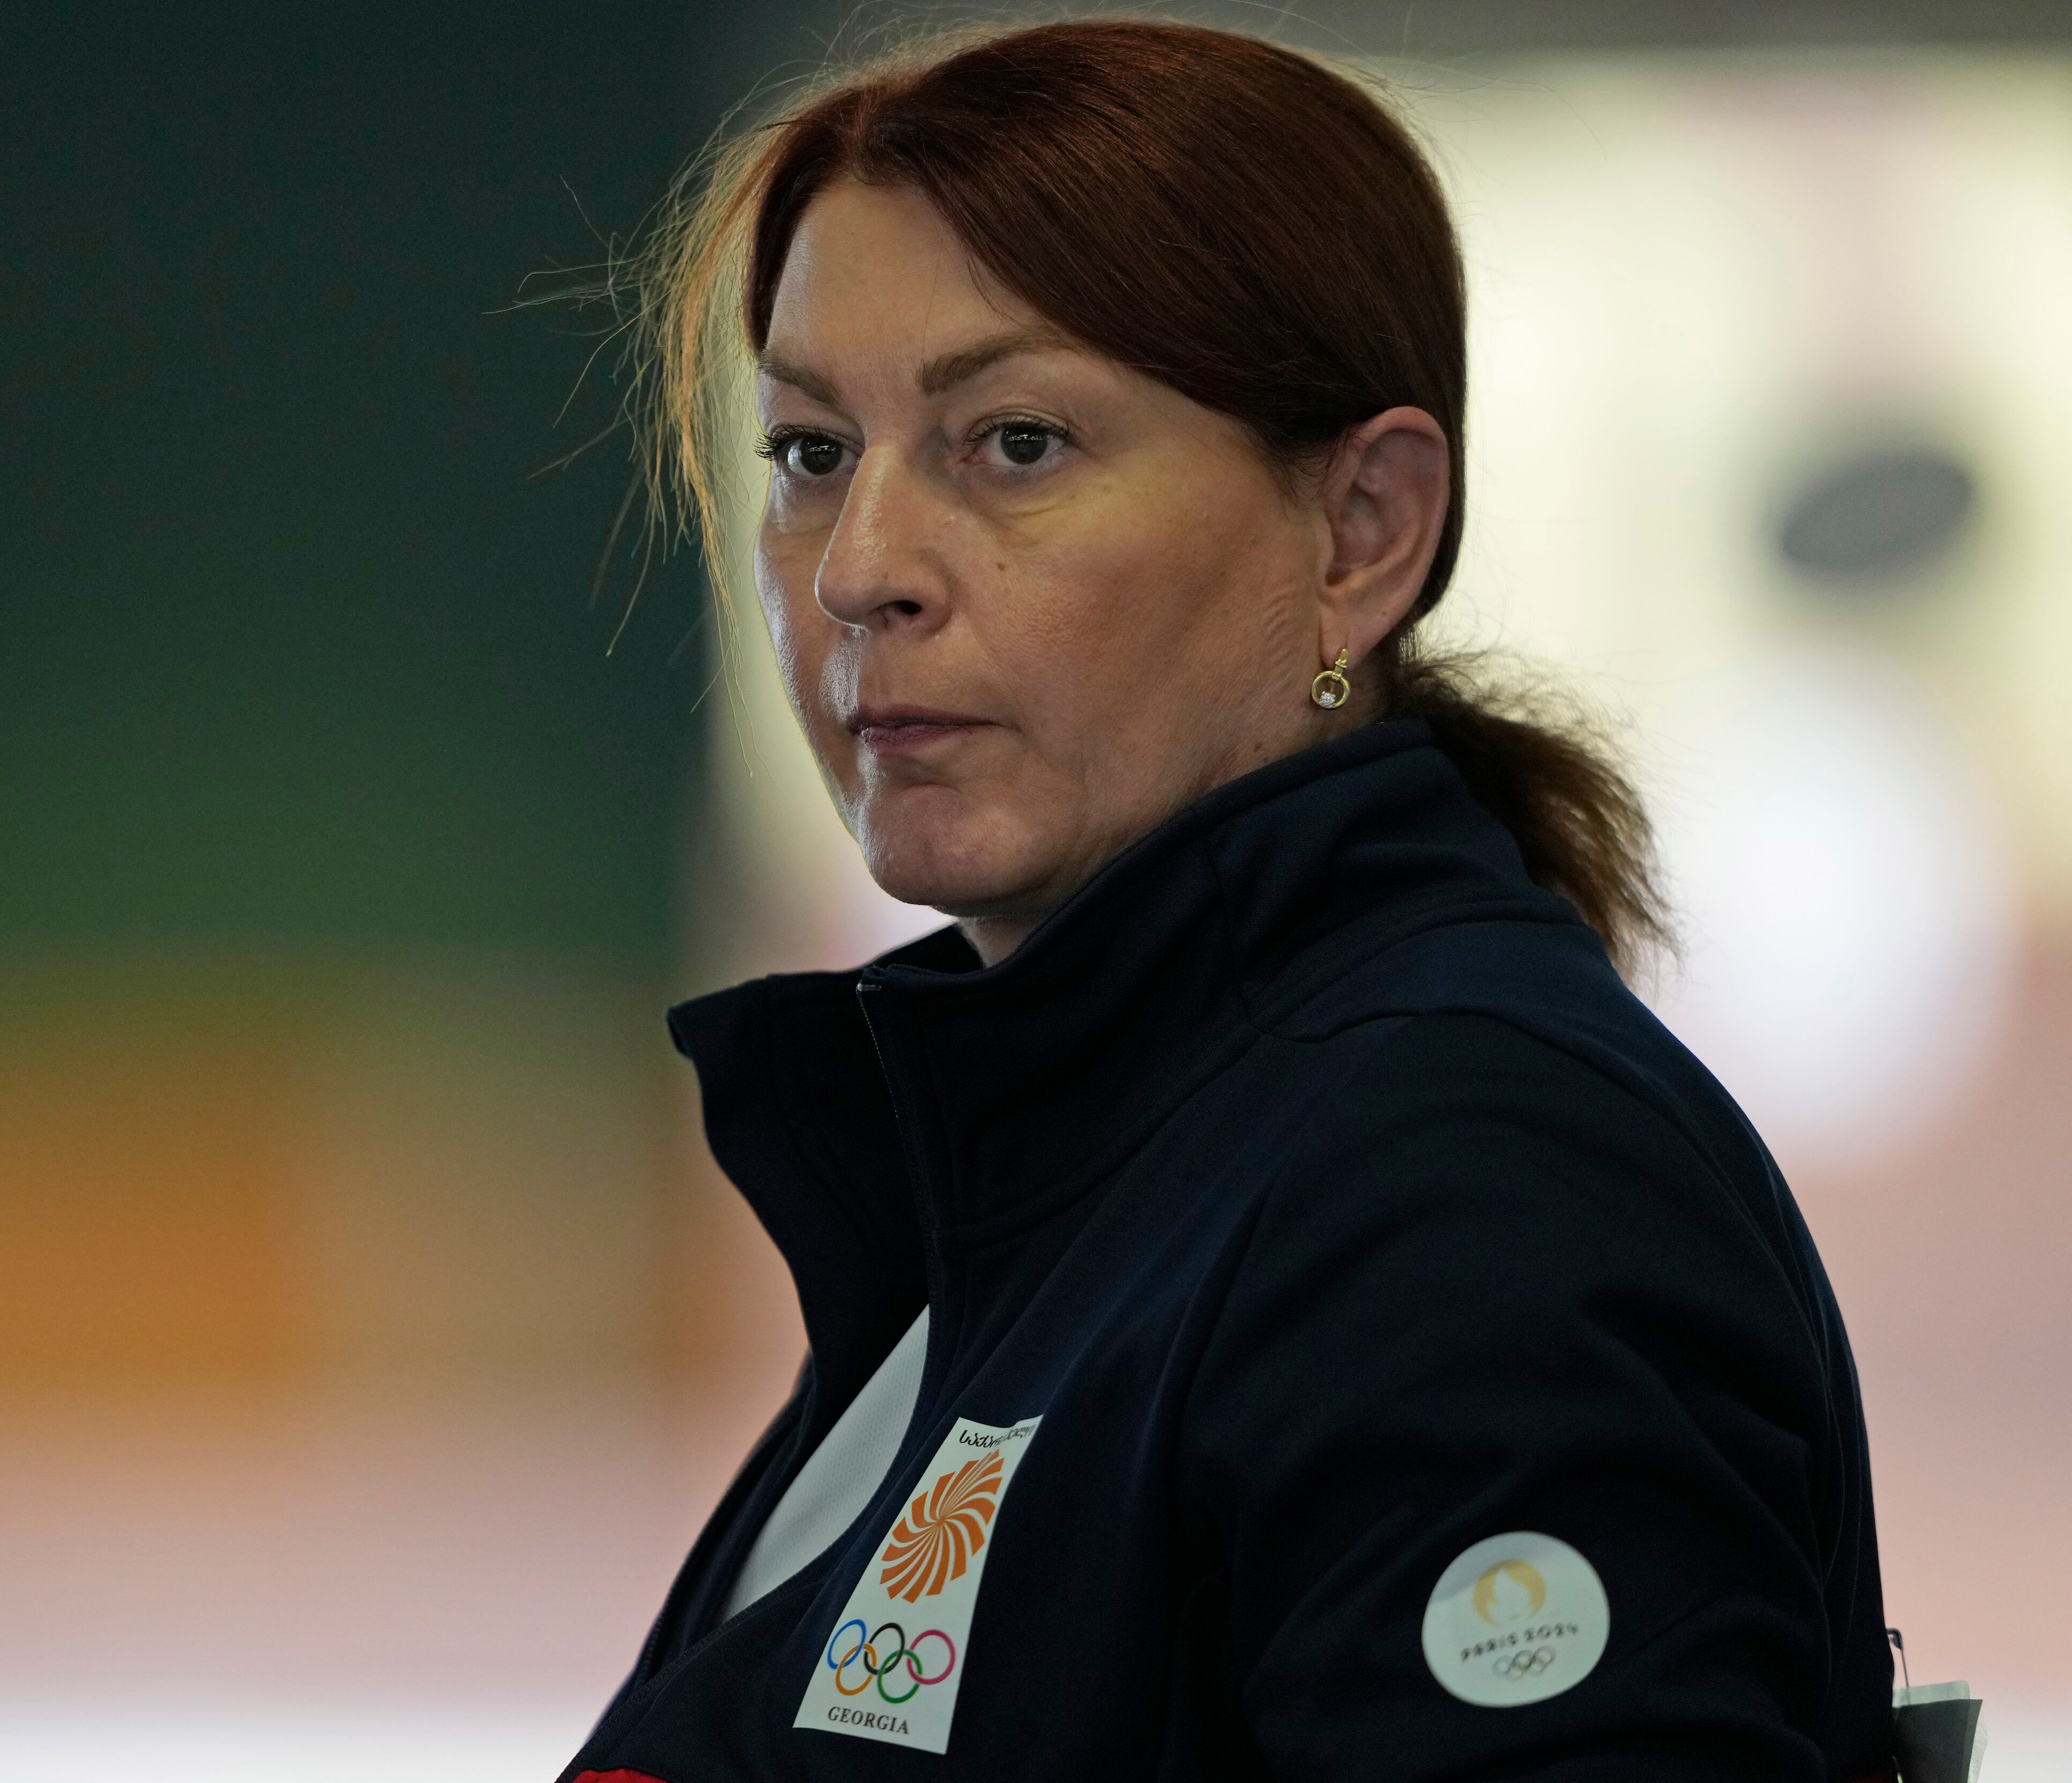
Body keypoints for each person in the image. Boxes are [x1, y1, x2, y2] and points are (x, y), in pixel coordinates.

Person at [564, 20, 1892, 1782]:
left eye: (1015, 442)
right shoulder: (1072, 1186)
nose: (864, 568)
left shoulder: (1466, 1187)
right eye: (811, 453)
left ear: (1362, 531)